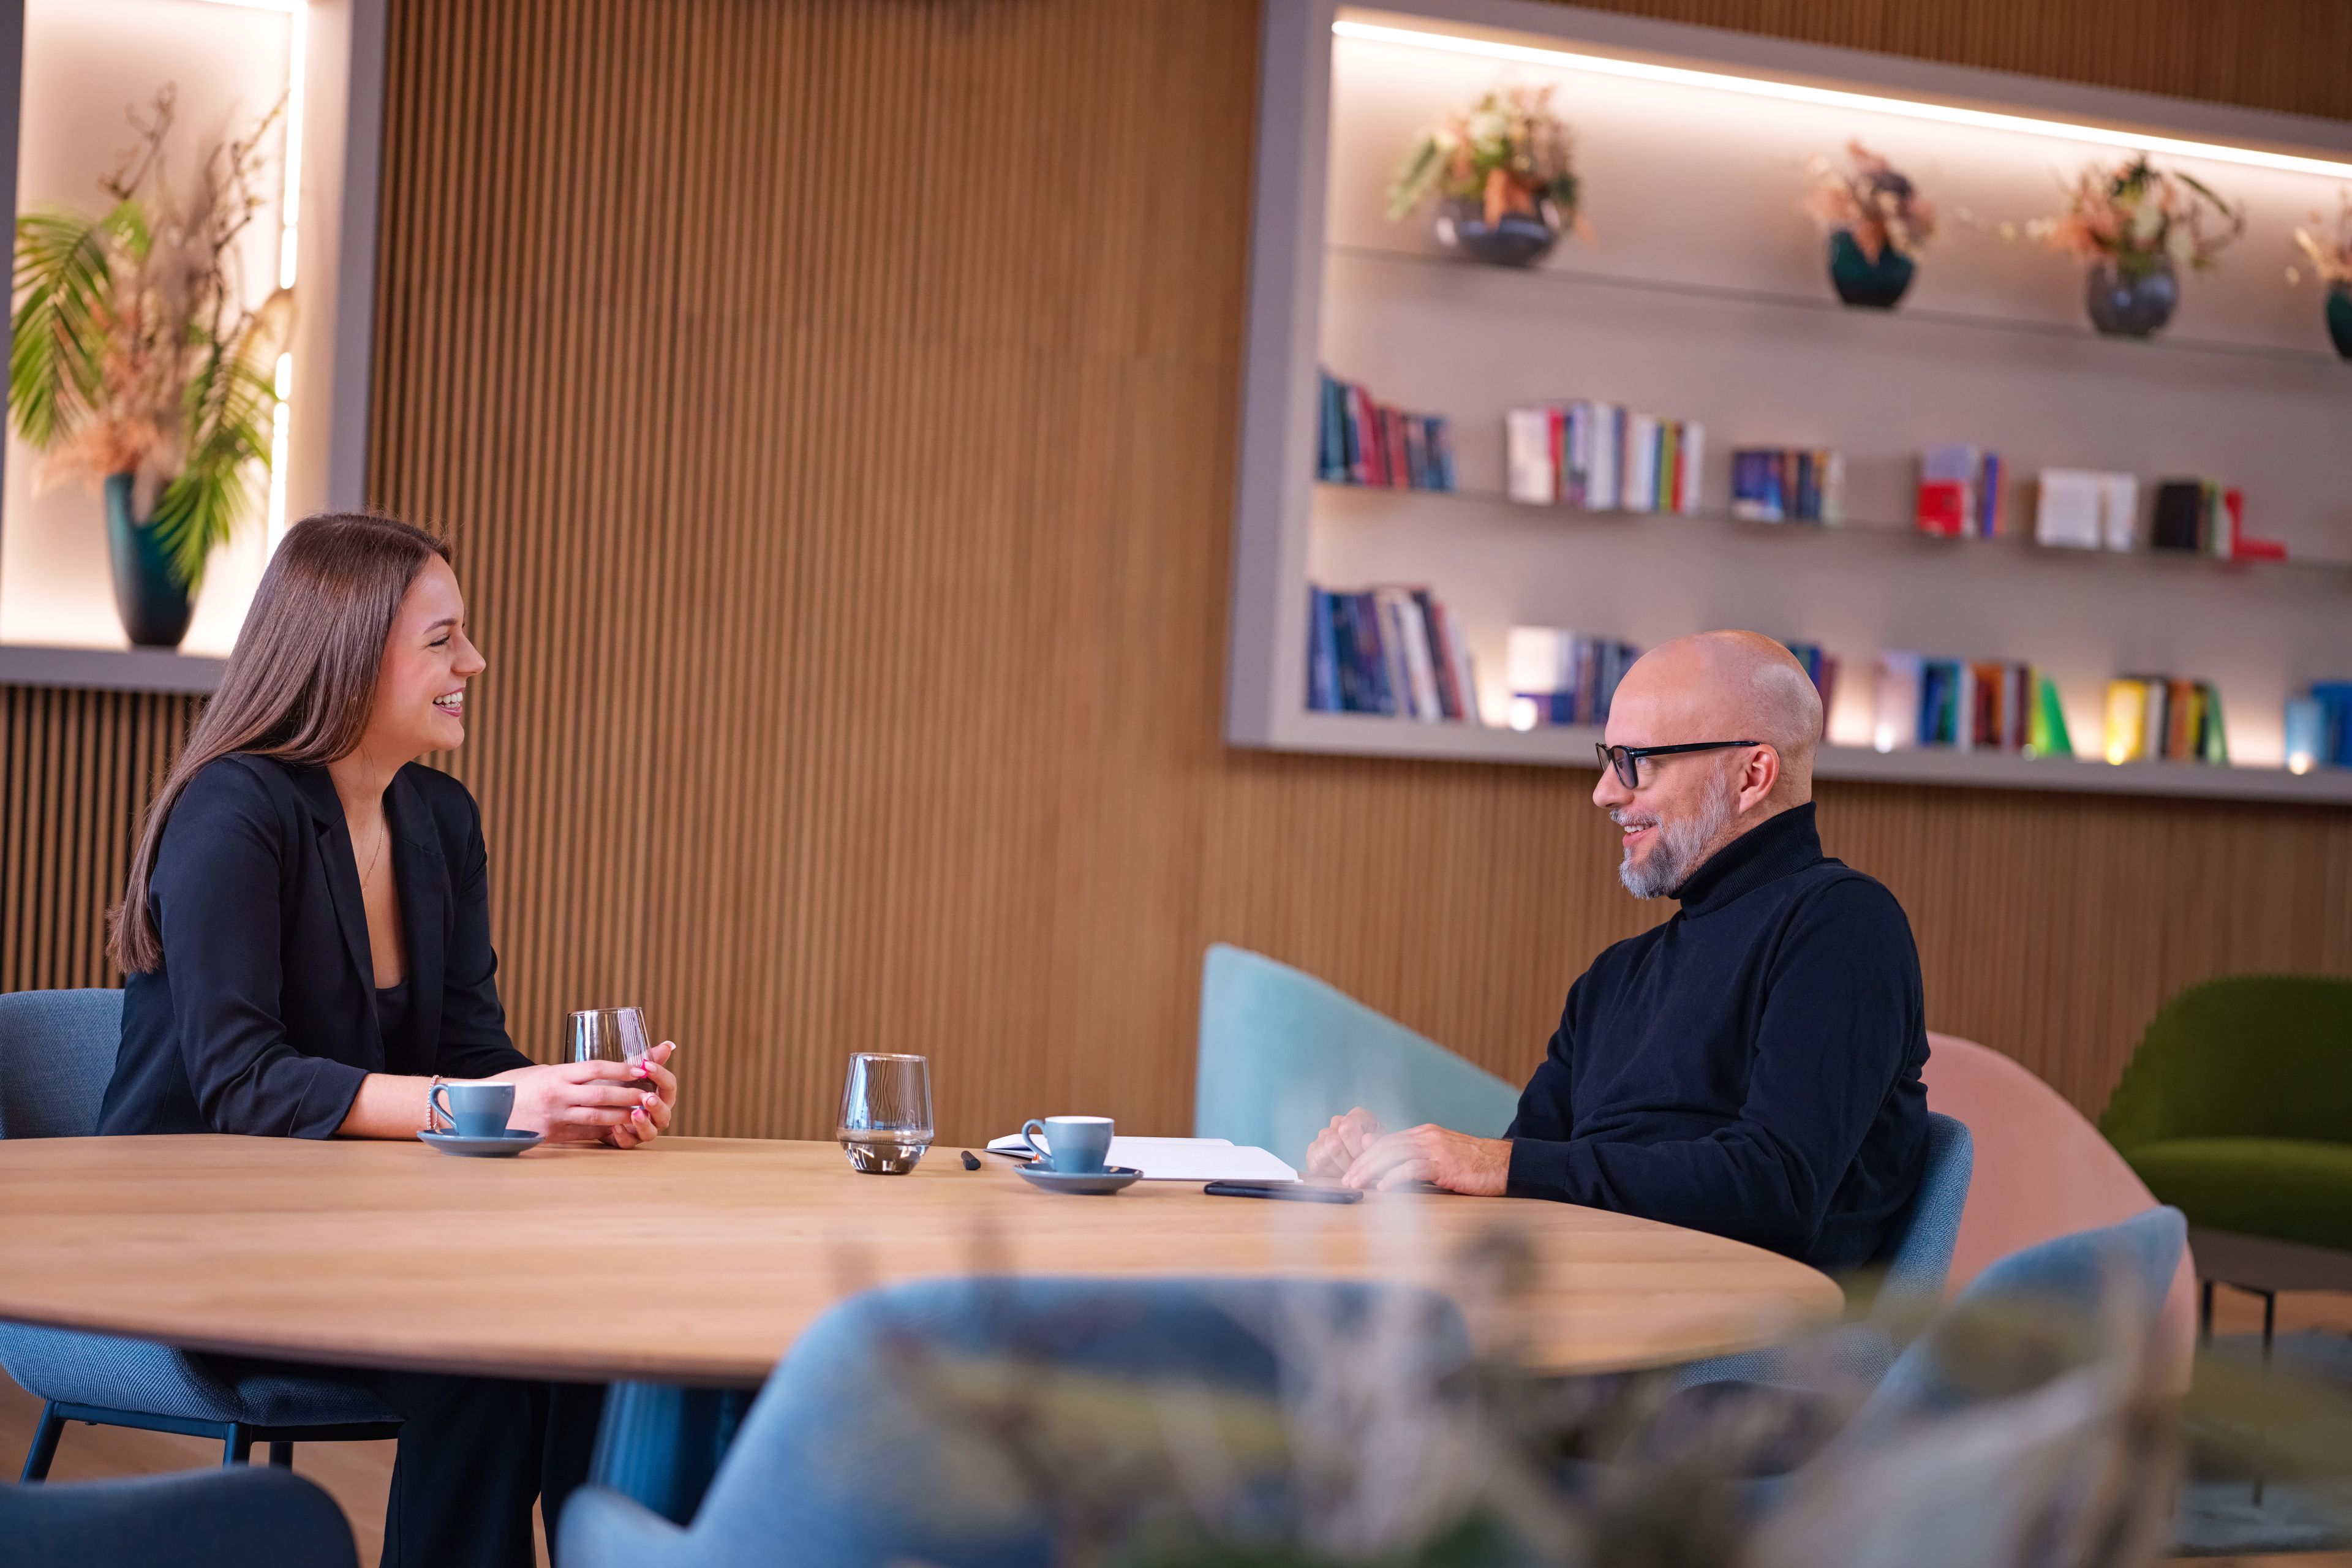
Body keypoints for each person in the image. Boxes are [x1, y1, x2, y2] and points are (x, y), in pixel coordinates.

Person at [97, 513, 681, 1567]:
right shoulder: (233, 809)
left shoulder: (439, 819)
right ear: (351, 654)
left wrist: (575, 1099)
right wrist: (492, 1108)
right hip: (195, 1235)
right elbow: (243, 1082)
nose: (476, 662)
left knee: (602, 1338)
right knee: (483, 1361)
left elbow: (471, 1047)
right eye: (443, 640)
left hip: (364, 1235)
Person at [1305, 630, 1928, 1275]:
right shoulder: (1614, 977)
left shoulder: (1843, 923)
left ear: (1752, 776)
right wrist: (1397, 1169)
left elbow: (1776, 1190)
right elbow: (1523, 1178)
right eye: (1609, 759)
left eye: (1635, 761)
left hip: (1728, 1318)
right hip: (1576, 1291)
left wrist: (1496, 1164)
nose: (1605, 792)